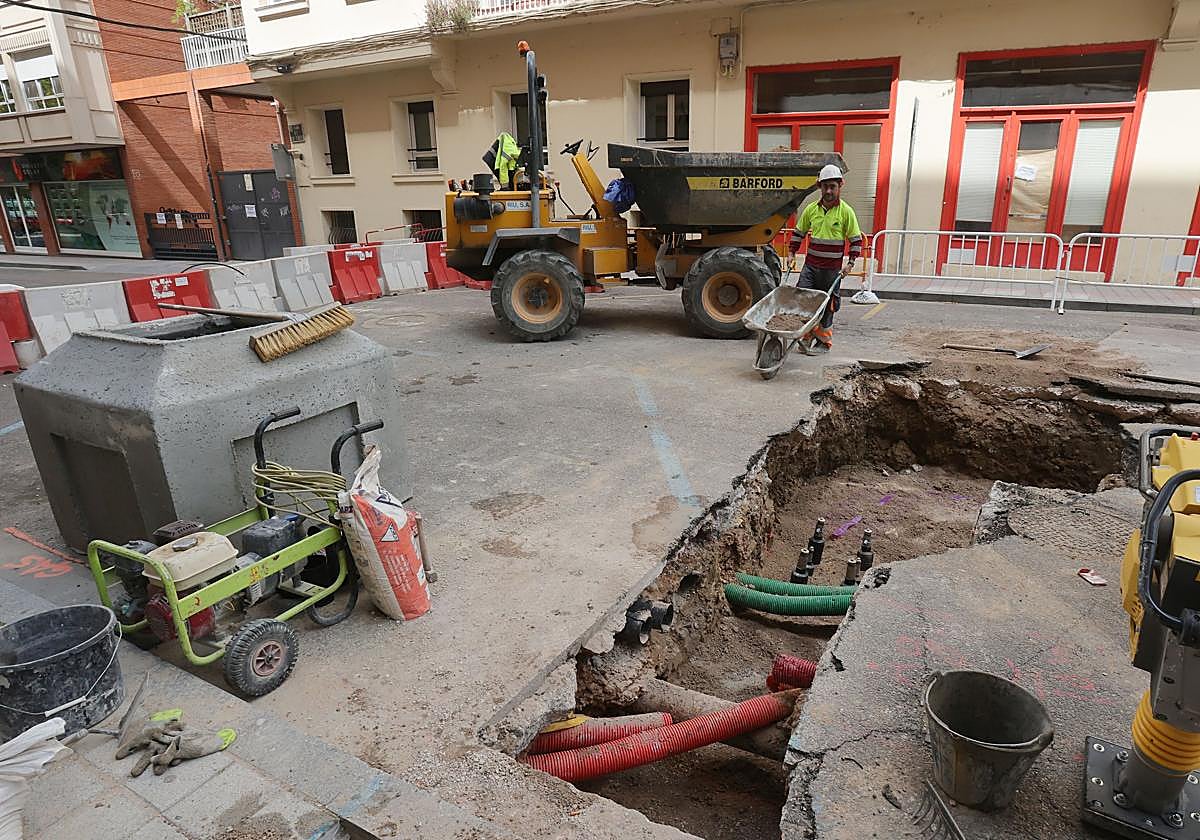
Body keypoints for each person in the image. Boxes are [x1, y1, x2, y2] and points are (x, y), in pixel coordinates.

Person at [787, 164, 863, 354]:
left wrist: (851, 263)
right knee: (804, 300)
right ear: (819, 186)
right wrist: (791, 253)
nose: (828, 191)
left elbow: (855, 240)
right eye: (825, 186)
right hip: (811, 267)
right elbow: (798, 233)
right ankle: (806, 336)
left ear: (840, 185)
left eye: (832, 186)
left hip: (832, 270)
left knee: (828, 305)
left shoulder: (846, 212)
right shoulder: (811, 210)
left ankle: (823, 342)